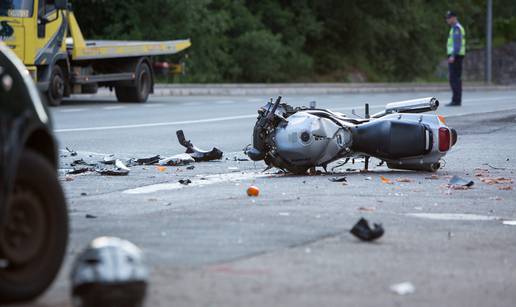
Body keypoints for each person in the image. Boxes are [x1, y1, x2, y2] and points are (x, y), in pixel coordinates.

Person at [445, 11, 466, 106]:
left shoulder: (457, 28)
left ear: (454, 18)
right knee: (455, 78)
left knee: (454, 79)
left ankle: (456, 100)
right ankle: (456, 100)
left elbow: (457, 44)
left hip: (456, 56)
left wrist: (453, 55)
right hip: (456, 56)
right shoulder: (455, 28)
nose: (447, 20)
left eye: (449, 18)